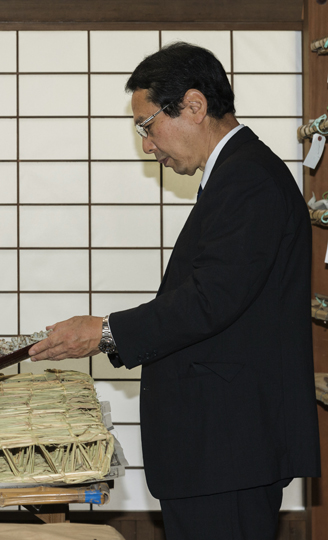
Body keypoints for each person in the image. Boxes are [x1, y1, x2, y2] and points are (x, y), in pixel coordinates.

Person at [28, 43, 320, 540]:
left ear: (194, 106)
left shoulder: (249, 179)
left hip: (229, 447)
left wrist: (106, 331)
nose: (146, 144)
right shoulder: (236, 174)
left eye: (147, 125)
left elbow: (211, 299)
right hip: (220, 447)